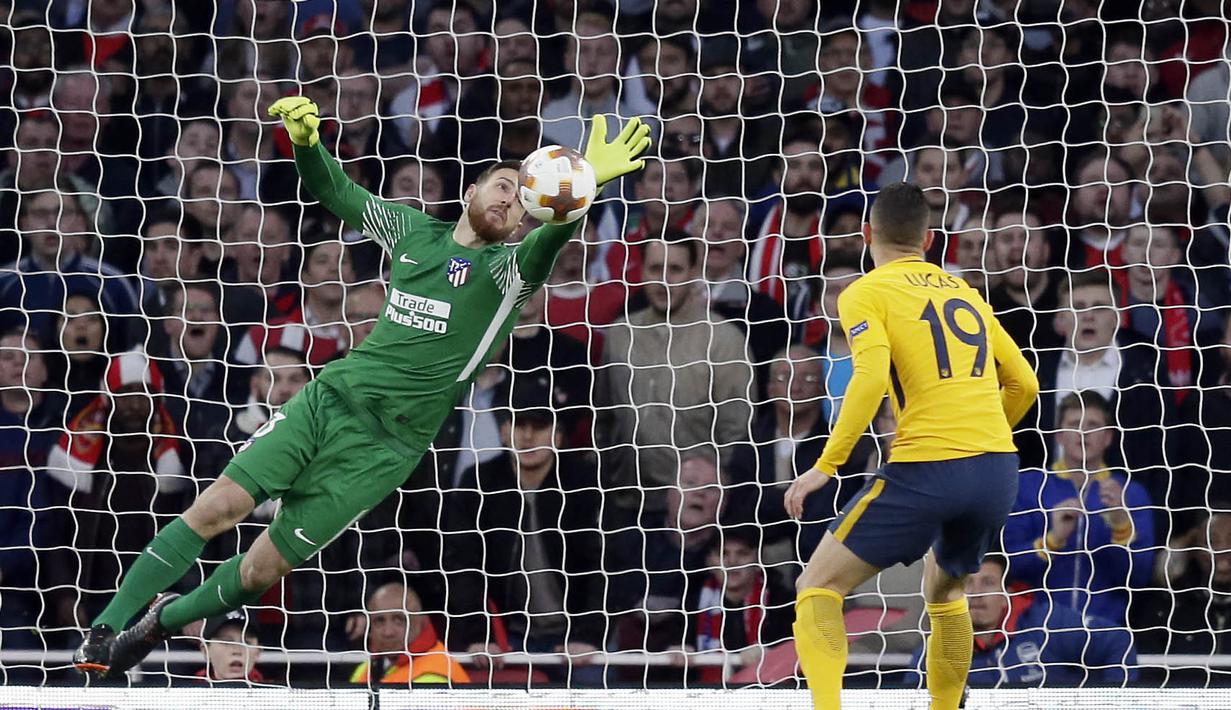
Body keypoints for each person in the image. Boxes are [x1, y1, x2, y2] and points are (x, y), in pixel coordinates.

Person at [73, 95, 652, 678]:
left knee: (259, 572)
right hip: (328, 403)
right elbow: (339, 194)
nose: (509, 201)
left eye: (520, 199)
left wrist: (582, 187)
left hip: (384, 451)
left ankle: (161, 622)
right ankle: (105, 628)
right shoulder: (412, 232)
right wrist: (307, 145)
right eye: (501, 186)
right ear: (471, 192)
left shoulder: (508, 273)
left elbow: (548, 243)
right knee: (215, 509)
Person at [783, 183, 1039, 710]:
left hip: (927, 467)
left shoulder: (867, 291)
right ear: (927, 238)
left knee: (817, 587)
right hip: (995, 470)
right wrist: (984, 438)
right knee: (946, 596)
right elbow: (1026, 385)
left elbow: (871, 375)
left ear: (865, 234)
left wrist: (825, 466)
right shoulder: (965, 291)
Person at [1002, 392, 1155, 626]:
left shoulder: (1130, 494)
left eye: (1093, 425)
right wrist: (1052, 540)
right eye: (1074, 424)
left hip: (1106, 630)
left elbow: (1139, 578)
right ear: (1059, 435)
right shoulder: (1028, 487)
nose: (1083, 433)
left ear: (1108, 437)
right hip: (1037, 632)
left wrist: (1121, 526)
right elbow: (1008, 567)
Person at [906, 554, 1137, 687]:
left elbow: (1118, 640)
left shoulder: (1046, 622)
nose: (976, 593)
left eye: (988, 583)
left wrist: (1112, 701)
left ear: (1007, 594)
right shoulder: (934, 653)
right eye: (968, 583)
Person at [348, 582, 468, 685]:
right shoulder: (367, 668)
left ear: (420, 622)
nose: (388, 632)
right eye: (379, 621)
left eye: (399, 620)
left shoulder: (434, 677)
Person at [195, 611, 264, 683]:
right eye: (226, 642)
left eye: (246, 642)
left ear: (258, 651)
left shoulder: (269, 691)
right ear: (206, 650)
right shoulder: (191, 690)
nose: (237, 651)